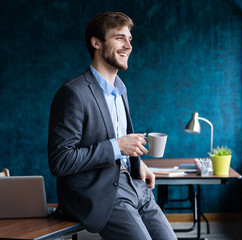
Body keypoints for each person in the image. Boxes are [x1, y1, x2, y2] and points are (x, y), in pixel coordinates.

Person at [48, 12, 177, 240]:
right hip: (100, 193)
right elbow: (61, 161)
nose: (128, 45)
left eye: (129, 39)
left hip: (135, 186)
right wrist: (117, 146)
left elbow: (120, 144)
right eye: (119, 38)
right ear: (96, 43)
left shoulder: (120, 89)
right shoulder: (73, 93)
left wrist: (139, 165)